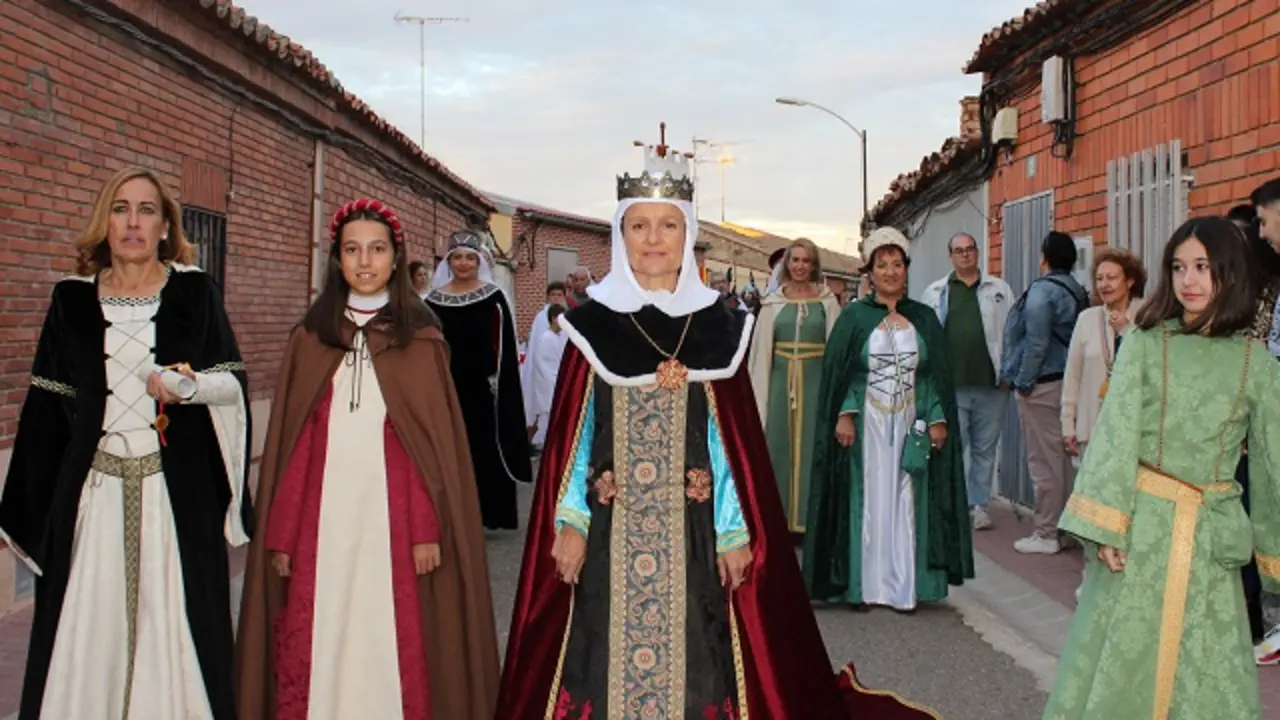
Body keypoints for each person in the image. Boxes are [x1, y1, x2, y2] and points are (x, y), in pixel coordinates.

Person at [497, 130, 939, 719]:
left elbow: (728, 446)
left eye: (668, 226)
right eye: (640, 227)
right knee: (596, 654)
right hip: (608, 533)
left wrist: (735, 533)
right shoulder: (590, 327)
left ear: (687, 236)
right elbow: (575, 440)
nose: (654, 241)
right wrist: (570, 521)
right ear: (621, 235)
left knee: (702, 656)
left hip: (696, 535)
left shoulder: (719, 326)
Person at [0, 167, 252, 719]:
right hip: (94, 499)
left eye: (145, 210)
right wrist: (30, 511)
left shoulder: (194, 292)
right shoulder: (70, 301)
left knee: (176, 626)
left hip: (175, 497)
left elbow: (232, 383)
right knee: (88, 629)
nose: (132, 222)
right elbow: (46, 412)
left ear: (165, 226)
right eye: (120, 209)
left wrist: (190, 386)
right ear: (104, 222)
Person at [233, 198, 499, 719]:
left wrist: (426, 528)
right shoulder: (310, 340)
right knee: (322, 624)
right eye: (352, 249)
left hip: (393, 523)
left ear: (396, 258)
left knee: (389, 630)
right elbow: (296, 447)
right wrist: (283, 533)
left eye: (377, 249)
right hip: (322, 522)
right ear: (336, 259)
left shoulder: (420, 341)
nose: (364, 261)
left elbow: (427, 451)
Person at [1042, 217, 1280, 720]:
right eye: (1178, 267)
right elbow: (1115, 433)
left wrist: (1271, 549)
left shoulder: (1254, 363)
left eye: (1202, 267)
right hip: (1143, 530)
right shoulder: (1148, 343)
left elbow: (1270, 463)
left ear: (1230, 274)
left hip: (1212, 545)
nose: (1188, 281)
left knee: (1204, 668)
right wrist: (1108, 522)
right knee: (1128, 658)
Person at [804, 227, 973, 612]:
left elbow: (931, 376)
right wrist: (844, 415)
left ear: (907, 270)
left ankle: (903, 587)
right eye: (883, 266)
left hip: (909, 422)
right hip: (868, 425)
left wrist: (936, 417)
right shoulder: (853, 319)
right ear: (870, 272)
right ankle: (863, 586)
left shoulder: (924, 318)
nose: (891, 272)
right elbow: (841, 374)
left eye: (897, 265)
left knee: (905, 500)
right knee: (868, 500)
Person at [425, 230, 533, 529]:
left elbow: (504, 346)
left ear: (478, 261)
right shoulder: (433, 300)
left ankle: (489, 514)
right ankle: (449, 516)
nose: (462, 264)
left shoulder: (493, 297)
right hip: (446, 387)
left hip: (484, 390)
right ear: (449, 262)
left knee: (483, 449)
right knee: (448, 450)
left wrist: (499, 381)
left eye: (469, 258)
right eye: (457, 257)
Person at [1001, 230, 1089, 555]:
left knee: (1044, 461)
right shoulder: (1077, 290)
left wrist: (1023, 382)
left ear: (1044, 258)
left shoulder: (1043, 291)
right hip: (1067, 381)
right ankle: (1064, 527)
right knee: (1063, 459)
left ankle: (1046, 532)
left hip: (1043, 384)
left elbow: (1035, 343)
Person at [920, 232, 1013, 531]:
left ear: (977, 252)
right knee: (952, 447)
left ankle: (978, 506)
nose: (964, 255)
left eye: (969, 249)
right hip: (952, 385)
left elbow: (1012, 331)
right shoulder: (936, 292)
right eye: (958, 251)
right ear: (951, 256)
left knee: (985, 449)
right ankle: (951, 505)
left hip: (991, 384)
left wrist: (1008, 372)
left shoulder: (998, 288)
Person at [747, 237, 842, 534]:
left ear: (814, 265)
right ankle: (780, 521)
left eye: (806, 261)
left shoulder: (827, 301)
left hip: (815, 385)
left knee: (814, 448)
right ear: (787, 264)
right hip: (779, 384)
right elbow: (761, 352)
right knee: (777, 447)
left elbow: (836, 349)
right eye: (795, 260)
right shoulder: (773, 303)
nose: (800, 266)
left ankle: (809, 521)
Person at [520, 281, 568, 441]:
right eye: (552, 295)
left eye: (559, 295)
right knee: (541, 406)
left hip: (559, 367)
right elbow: (536, 345)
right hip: (544, 371)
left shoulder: (566, 315)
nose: (556, 298)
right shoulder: (541, 317)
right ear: (547, 297)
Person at [529, 304, 569, 448]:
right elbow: (543, 366)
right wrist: (555, 380)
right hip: (549, 383)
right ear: (554, 319)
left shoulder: (560, 336)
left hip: (558, 379)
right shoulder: (545, 338)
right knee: (548, 415)